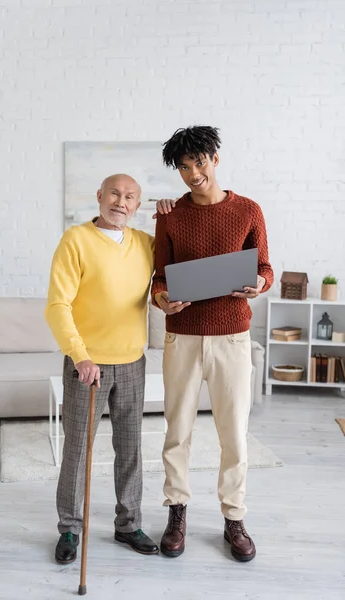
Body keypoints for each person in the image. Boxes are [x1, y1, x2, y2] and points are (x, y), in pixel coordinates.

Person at [151, 126, 274, 562]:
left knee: (234, 435)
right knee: (177, 431)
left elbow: (265, 266)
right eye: (183, 167)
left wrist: (259, 282)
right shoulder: (170, 215)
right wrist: (163, 299)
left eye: (199, 162)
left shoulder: (249, 210)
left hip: (232, 336)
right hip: (182, 337)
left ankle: (234, 518)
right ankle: (176, 511)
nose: (192, 173)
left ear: (215, 159)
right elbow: (159, 277)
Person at [45, 173, 160, 564]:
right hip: (87, 365)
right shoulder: (75, 240)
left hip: (132, 362)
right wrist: (80, 355)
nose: (121, 201)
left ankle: (128, 524)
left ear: (137, 206)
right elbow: (57, 305)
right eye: (114, 193)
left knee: (130, 449)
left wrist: (174, 213)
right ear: (99, 196)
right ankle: (70, 529)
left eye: (130, 196)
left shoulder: (146, 244)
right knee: (78, 449)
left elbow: (173, 274)